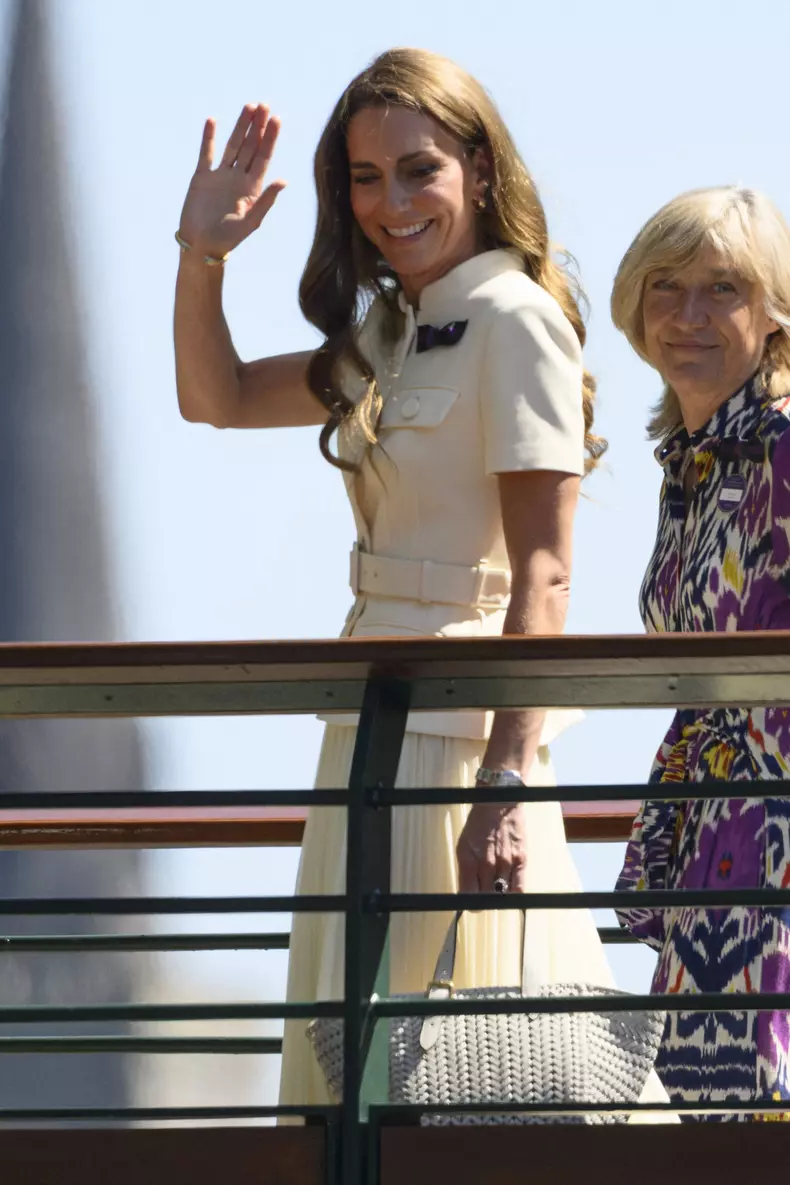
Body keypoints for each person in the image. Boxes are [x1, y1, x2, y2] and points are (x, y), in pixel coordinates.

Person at [174, 47, 667, 1118]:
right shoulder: (393, 330)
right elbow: (212, 398)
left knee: (475, 1084)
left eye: (417, 170)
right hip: (365, 725)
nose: (388, 202)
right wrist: (201, 254)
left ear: (479, 173)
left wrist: (500, 781)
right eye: (363, 176)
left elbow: (542, 572)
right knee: (356, 1076)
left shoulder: (515, 319)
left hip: (464, 745)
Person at [612, 186, 790, 1119]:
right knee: (705, 1129)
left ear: (773, 312)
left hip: (776, 842)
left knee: (755, 1119)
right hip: (714, 842)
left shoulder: (784, 444)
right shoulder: (690, 460)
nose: (687, 314)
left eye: (722, 287)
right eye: (665, 286)